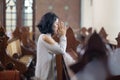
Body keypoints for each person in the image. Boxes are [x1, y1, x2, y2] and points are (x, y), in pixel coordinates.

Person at [35, 12, 67, 80]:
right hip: (44, 77)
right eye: (56, 23)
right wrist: (63, 35)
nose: (58, 26)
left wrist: (60, 35)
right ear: (50, 24)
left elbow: (57, 47)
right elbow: (61, 50)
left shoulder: (45, 37)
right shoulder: (45, 38)